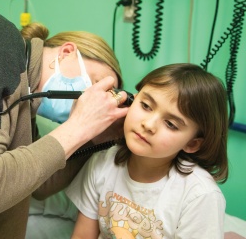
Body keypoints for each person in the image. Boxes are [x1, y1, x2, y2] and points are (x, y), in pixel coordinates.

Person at [0, 6, 128, 238]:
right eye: (95, 82)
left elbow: (39, 184)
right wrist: (80, 126)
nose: (91, 100)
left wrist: (93, 137)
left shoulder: (23, 99)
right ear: (67, 52)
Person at [66, 63, 229, 238]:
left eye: (171, 124)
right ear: (131, 99)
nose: (149, 125)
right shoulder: (103, 161)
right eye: (145, 106)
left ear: (192, 144)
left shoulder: (201, 196)